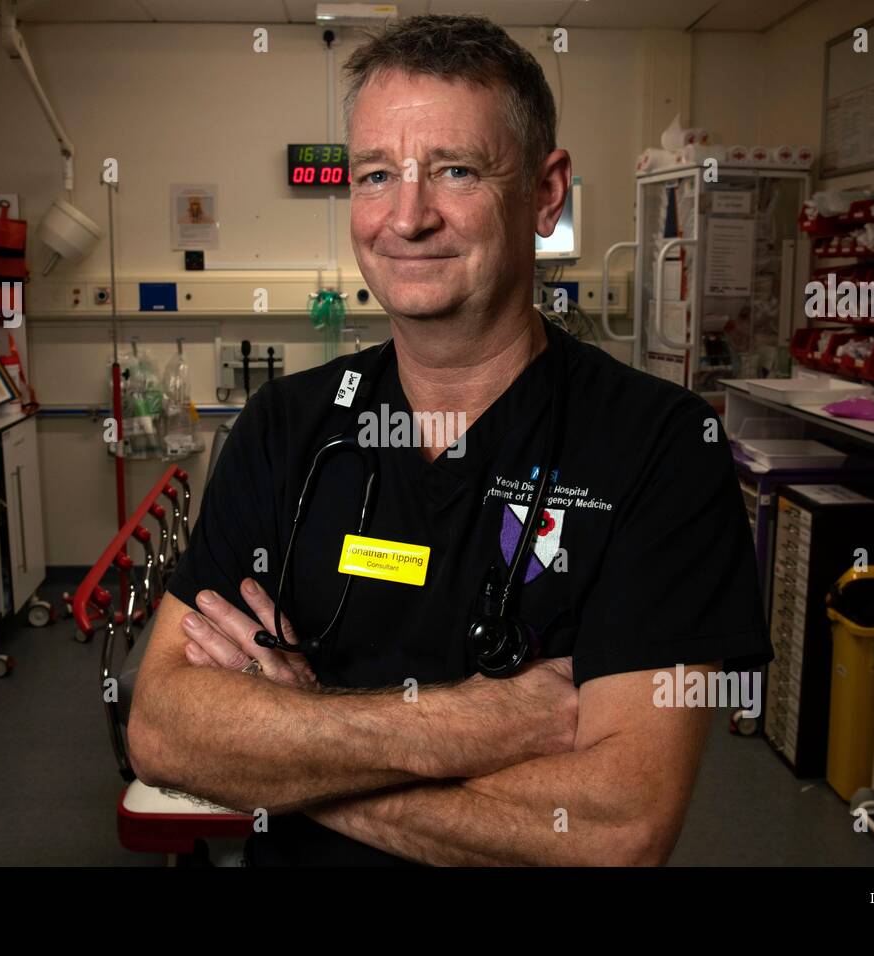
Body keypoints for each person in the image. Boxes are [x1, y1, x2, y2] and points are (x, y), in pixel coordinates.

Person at [129, 13, 770, 866]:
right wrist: (466, 725)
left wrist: (291, 742)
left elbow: (619, 826)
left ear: (546, 193)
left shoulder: (660, 447)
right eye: (374, 175)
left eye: (456, 171)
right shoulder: (284, 429)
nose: (407, 216)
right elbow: (163, 731)